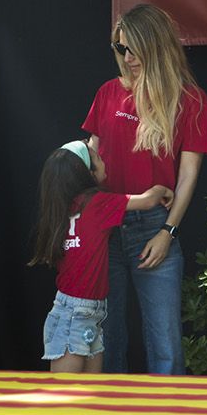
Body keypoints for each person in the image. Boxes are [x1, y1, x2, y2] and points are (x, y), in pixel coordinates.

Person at [83, 3, 207, 375]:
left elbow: (188, 176)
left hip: (154, 227)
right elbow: (89, 158)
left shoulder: (190, 100)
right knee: (105, 340)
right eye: (120, 48)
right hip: (105, 226)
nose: (127, 57)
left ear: (156, 45)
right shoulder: (108, 92)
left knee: (166, 346)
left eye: (134, 48)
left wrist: (168, 231)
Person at [29, 141, 171, 373]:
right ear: (88, 172)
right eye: (97, 157)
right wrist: (163, 189)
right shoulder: (98, 203)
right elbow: (147, 200)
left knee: (89, 394)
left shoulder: (62, 207)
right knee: (66, 399)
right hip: (74, 314)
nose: (103, 159)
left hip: (90, 313)